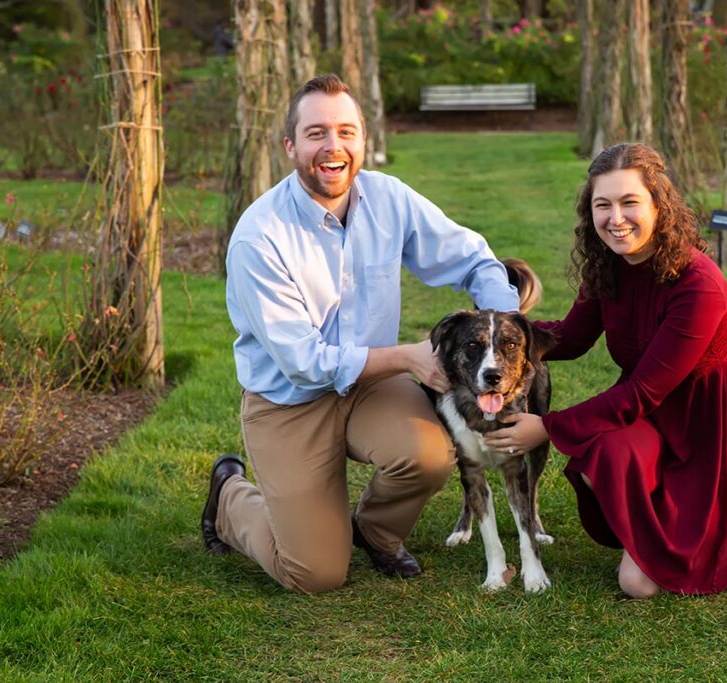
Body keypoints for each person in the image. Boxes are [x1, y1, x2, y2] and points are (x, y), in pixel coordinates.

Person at [201, 74, 520, 593]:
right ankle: (230, 497)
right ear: (290, 146)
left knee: (429, 456)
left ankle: (375, 532)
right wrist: (410, 359)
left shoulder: (387, 198)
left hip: (371, 387)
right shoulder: (260, 237)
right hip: (290, 401)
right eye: (316, 133)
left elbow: (473, 258)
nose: (334, 147)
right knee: (315, 573)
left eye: (347, 132)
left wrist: (508, 324)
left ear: (363, 140)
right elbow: (303, 362)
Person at [484, 144, 727, 598]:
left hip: (712, 429)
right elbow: (571, 337)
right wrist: (495, 337)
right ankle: (648, 527)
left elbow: (640, 393)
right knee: (607, 453)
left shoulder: (699, 285)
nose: (615, 218)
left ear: (659, 205)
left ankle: (681, 530)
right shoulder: (609, 268)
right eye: (603, 205)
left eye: (629, 202)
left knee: (636, 584)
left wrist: (547, 427)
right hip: (651, 416)